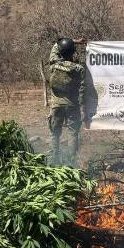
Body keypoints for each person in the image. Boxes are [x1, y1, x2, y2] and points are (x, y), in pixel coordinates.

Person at [47, 37, 86, 165]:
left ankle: (54, 160)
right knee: (72, 134)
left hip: (56, 105)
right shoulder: (79, 69)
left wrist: (73, 41)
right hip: (72, 105)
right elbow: (82, 89)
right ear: (73, 52)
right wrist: (81, 104)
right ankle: (71, 162)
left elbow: (55, 46)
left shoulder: (53, 66)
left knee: (55, 134)